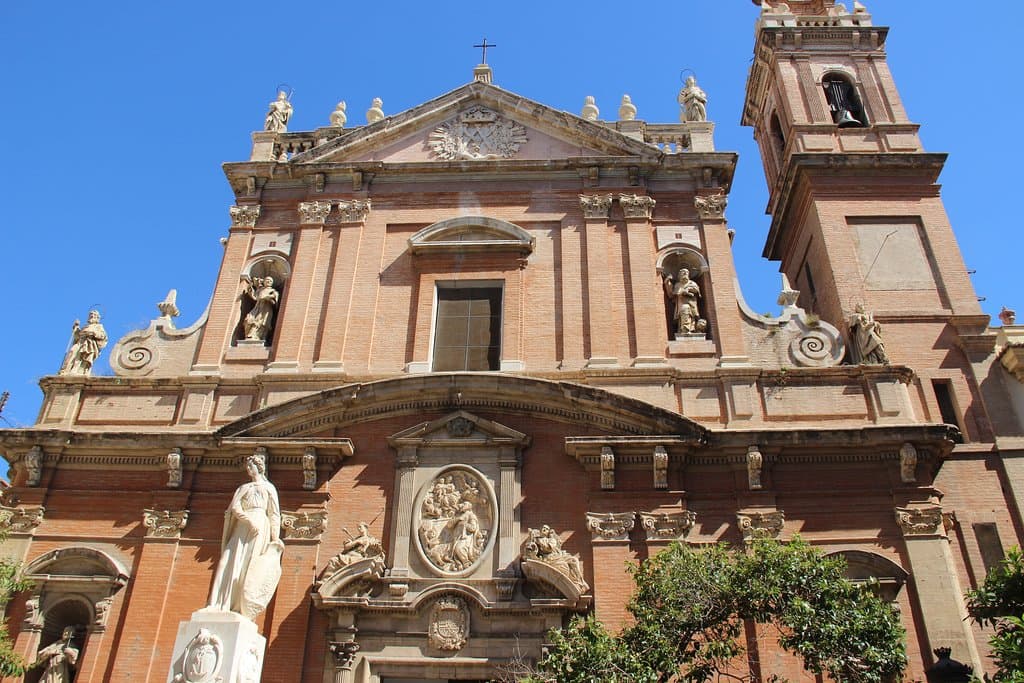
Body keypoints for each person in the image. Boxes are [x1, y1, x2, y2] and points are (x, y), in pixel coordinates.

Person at [207, 455, 282, 619]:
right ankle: (218, 603)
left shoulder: (269, 488)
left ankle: (239, 606)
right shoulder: (244, 487)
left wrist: (275, 540)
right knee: (227, 561)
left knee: (249, 564)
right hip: (243, 525)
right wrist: (247, 520)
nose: (248, 469)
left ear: (259, 467)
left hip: (260, 526)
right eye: (247, 466)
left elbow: (274, 514)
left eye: (251, 466)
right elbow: (234, 507)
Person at [60, 310, 108, 375]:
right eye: (91, 315)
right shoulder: (85, 326)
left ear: (97, 317)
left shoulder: (99, 326)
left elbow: (103, 336)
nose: (92, 316)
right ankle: (66, 370)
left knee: (83, 356)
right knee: (72, 351)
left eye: (94, 315)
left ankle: (77, 371)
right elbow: (77, 336)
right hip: (80, 342)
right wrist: (76, 328)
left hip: (89, 344)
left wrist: (93, 333)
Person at [664, 268, 706, 335]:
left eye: (686, 272)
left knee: (691, 316)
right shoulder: (678, 285)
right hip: (681, 304)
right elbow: (671, 294)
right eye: (683, 272)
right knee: (685, 310)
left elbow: (697, 290)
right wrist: (668, 283)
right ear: (679, 275)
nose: (685, 273)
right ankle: (684, 330)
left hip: (692, 304)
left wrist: (688, 289)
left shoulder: (692, 283)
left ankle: (691, 330)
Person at [242, 276, 279, 342]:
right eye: (267, 280)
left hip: (265, 309)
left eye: (270, 281)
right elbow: (255, 298)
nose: (268, 282)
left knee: (261, 322)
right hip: (257, 307)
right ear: (264, 281)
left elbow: (274, 303)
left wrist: (267, 297)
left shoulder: (273, 291)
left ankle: (256, 337)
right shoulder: (260, 290)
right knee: (248, 320)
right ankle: (249, 335)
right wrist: (250, 291)